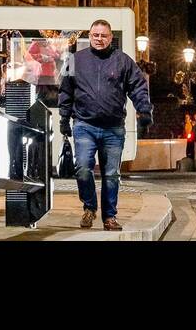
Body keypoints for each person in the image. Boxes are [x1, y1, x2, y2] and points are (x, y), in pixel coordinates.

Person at [58, 19, 152, 231]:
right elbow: (65, 91)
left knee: (111, 175)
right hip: (84, 124)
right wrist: (64, 119)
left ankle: (109, 216)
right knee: (82, 168)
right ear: (89, 37)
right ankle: (90, 207)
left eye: (103, 36)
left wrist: (144, 111)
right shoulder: (74, 60)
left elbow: (138, 87)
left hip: (113, 128)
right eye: (95, 35)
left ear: (111, 38)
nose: (99, 39)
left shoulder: (123, 61)